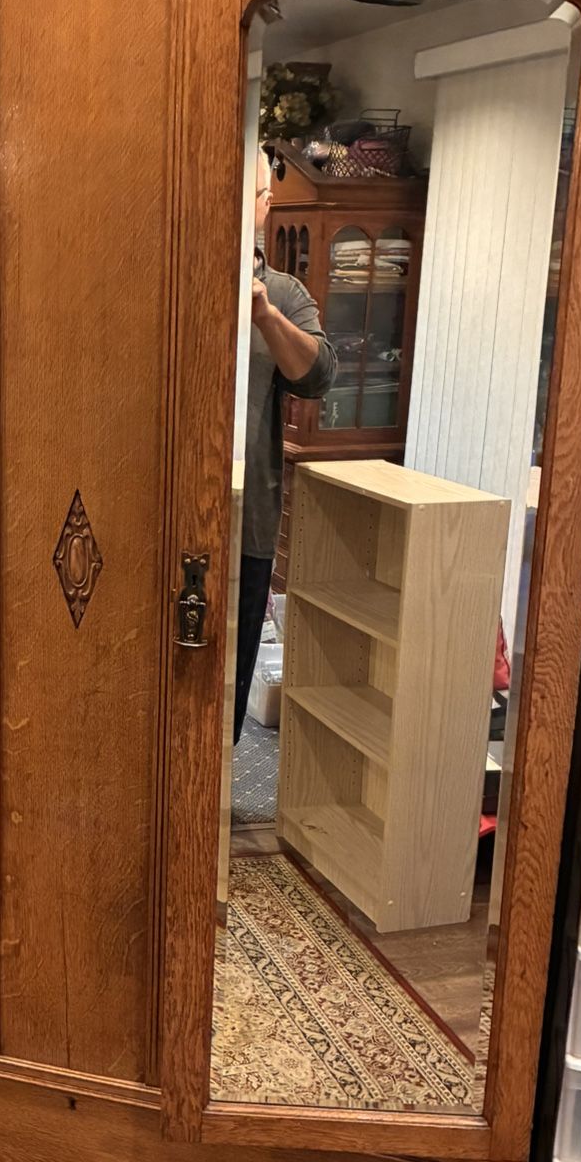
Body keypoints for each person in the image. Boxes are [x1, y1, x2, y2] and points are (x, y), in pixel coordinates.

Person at [236, 149, 336, 744]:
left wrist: (265, 317)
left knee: (226, 694)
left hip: (247, 522)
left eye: (244, 196)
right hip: (159, 516)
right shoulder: (171, 278)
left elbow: (318, 376)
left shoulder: (283, 293)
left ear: (264, 206)